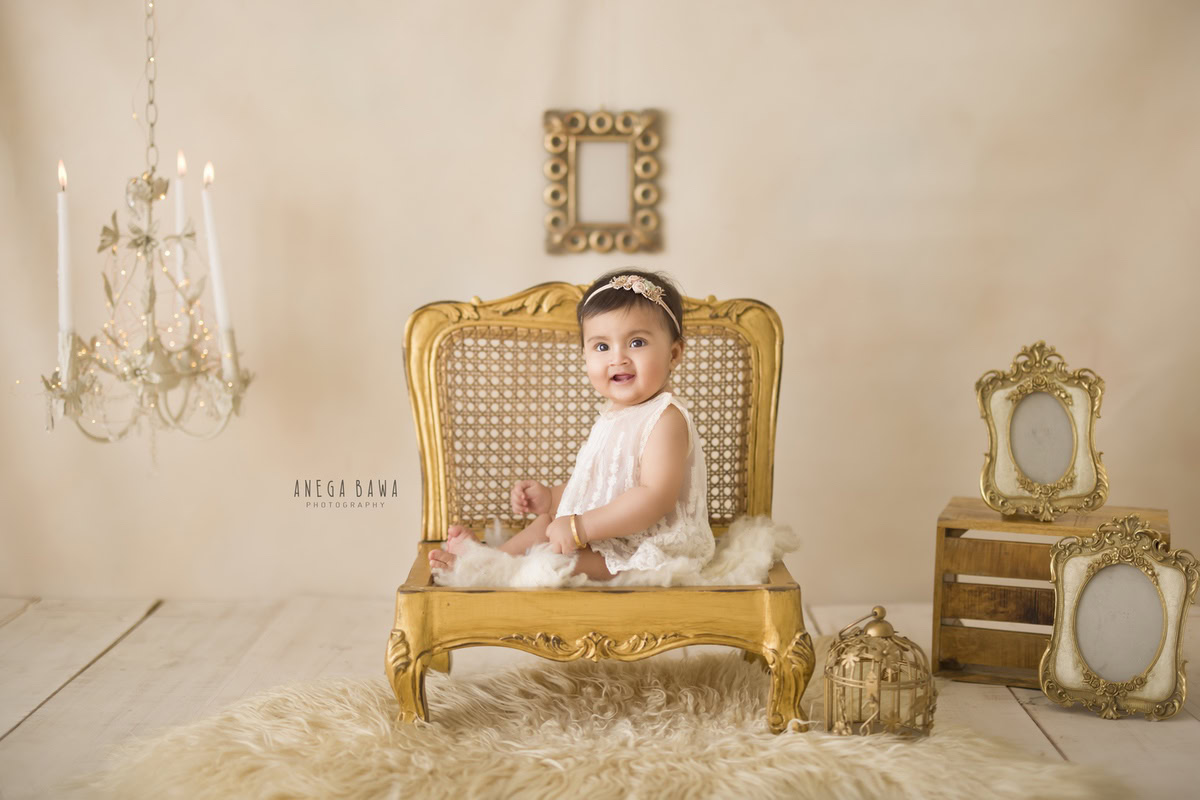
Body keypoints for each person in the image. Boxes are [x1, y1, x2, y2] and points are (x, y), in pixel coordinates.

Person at [428, 269, 715, 582]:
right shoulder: (613, 416)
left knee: (556, 560)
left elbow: (653, 497)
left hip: (650, 546)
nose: (618, 358)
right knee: (549, 523)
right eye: (602, 347)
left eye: (636, 342)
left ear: (674, 354)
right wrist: (553, 498)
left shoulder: (666, 418)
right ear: (585, 355)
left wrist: (581, 527)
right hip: (612, 533)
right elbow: (602, 484)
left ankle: (498, 570)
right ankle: (493, 558)